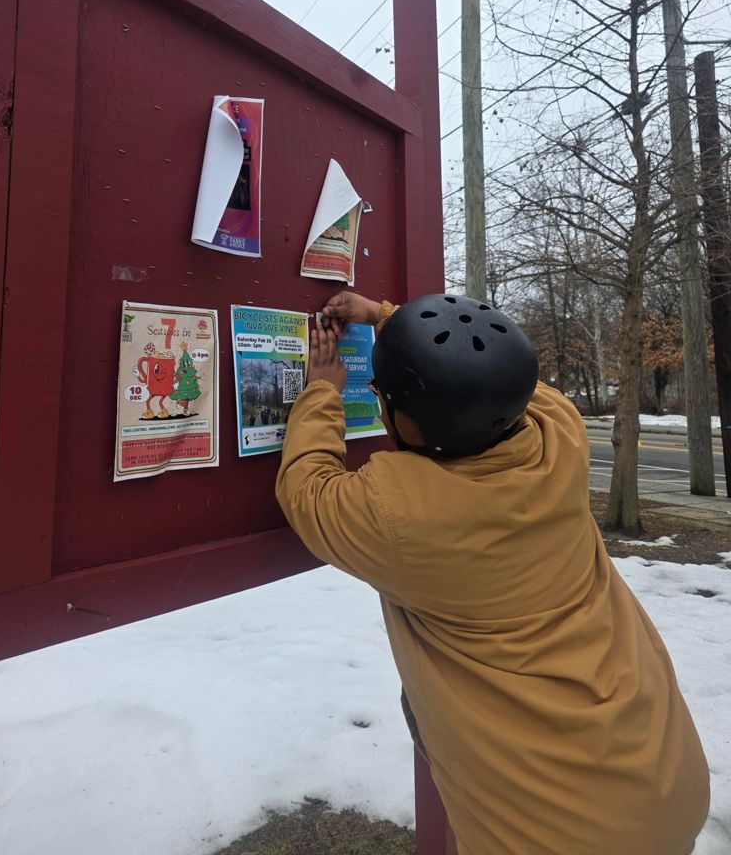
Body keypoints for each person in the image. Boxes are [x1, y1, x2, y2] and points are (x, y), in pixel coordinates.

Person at [275, 291, 710, 855]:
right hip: (664, 780)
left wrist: (321, 390)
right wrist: (386, 317)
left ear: (403, 419)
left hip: (554, 835)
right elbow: (496, 372)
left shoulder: (396, 513)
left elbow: (306, 489)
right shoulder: (561, 434)